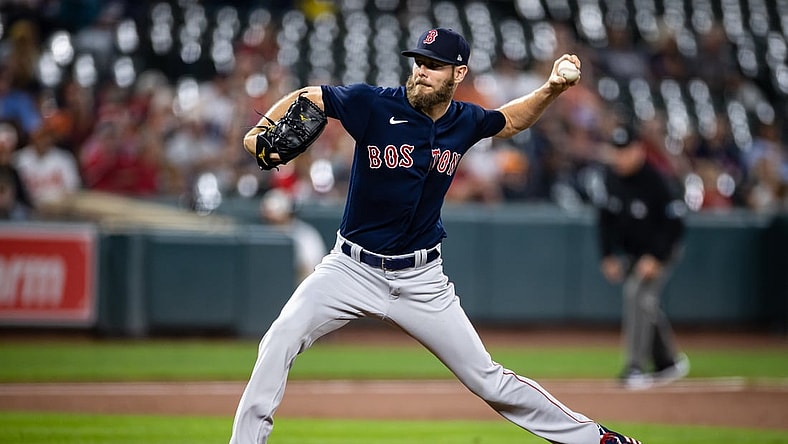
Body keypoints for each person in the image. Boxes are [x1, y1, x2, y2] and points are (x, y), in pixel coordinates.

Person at [231, 28, 640, 444]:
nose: (422, 71)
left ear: (457, 73)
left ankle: (596, 439)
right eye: (419, 62)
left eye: (434, 65)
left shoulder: (464, 120)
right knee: (280, 337)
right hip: (350, 268)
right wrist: (262, 128)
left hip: (421, 281)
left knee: (488, 380)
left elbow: (510, 120)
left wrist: (551, 87)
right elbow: (311, 96)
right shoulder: (374, 104)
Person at [596, 123, 690, 390]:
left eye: (625, 150)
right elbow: (604, 221)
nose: (620, 156)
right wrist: (607, 255)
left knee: (636, 294)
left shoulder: (657, 180)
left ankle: (635, 366)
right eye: (616, 150)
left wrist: (656, 257)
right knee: (645, 302)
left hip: (661, 250)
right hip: (634, 252)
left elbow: (675, 225)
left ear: (638, 150)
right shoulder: (611, 178)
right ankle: (667, 361)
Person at [259, 188, 328, 283]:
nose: (272, 222)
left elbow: (312, 269)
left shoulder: (304, 235)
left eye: (275, 219)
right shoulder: (260, 236)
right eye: (269, 219)